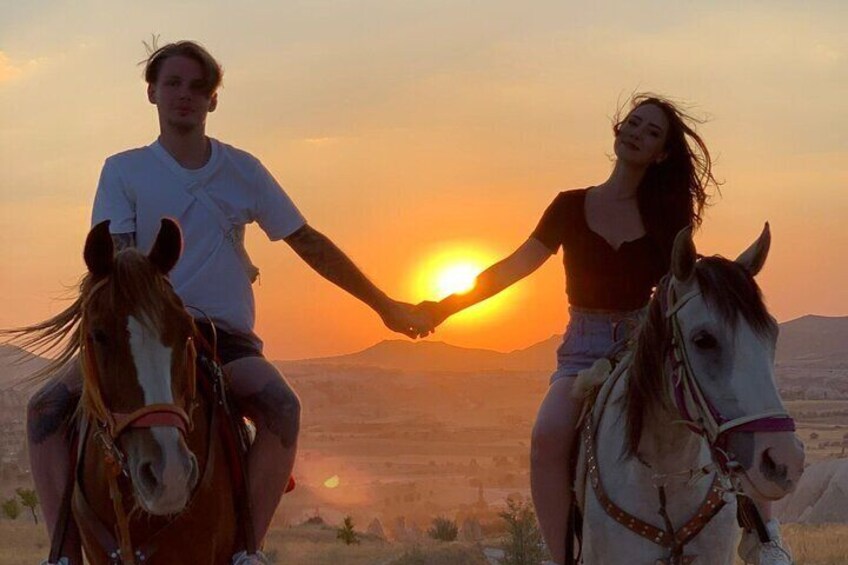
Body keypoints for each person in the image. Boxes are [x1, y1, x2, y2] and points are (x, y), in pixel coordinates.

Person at [27, 40, 430, 565]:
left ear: (213, 100)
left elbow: (306, 241)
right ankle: (62, 554)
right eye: (172, 84)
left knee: (283, 407)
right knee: (45, 411)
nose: (185, 96)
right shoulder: (123, 170)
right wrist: (151, 313)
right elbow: (120, 260)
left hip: (222, 335)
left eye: (199, 87)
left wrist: (384, 305)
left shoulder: (243, 170)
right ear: (151, 93)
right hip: (144, 334)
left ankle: (246, 550)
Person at [416, 94, 791, 565]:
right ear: (617, 130)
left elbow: (685, 280)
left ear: (662, 153)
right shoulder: (569, 206)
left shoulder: (667, 219)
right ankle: (564, 558)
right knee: (547, 437)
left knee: (723, 406)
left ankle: (765, 534)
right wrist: (444, 308)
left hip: (644, 346)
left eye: (651, 132)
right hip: (583, 352)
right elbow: (513, 267)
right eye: (633, 123)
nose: (637, 132)